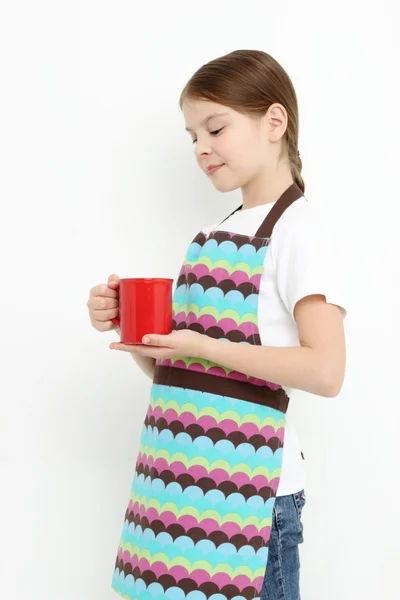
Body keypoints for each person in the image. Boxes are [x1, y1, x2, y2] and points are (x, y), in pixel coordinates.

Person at [87, 49, 347, 600]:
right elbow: (189, 376)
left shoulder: (300, 230)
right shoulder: (214, 232)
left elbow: (325, 370)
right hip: (176, 484)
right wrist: (135, 336)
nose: (201, 147)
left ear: (275, 123)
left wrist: (201, 345)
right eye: (192, 136)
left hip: (251, 496)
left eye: (215, 127)